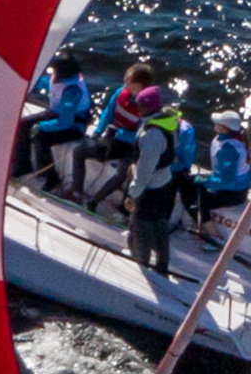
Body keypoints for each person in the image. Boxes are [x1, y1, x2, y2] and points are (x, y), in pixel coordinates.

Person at [77, 63, 157, 207]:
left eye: (129, 81)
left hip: (131, 147)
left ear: (139, 86)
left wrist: (117, 133)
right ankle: (76, 192)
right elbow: (109, 111)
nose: (125, 83)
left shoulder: (146, 106)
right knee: (79, 152)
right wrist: (98, 131)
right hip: (113, 139)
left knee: (122, 175)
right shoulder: (121, 92)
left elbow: (140, 134)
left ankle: (95, 201)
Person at [127, 86, 183, 273]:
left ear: (145, 108)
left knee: (141, 227)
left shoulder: (152, 135)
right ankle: (162, 266)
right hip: (165, 183)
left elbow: (144, 172)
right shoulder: (168, 122)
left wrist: (132, 193)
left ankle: (141, 267)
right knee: (160, 224)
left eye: (140, 106)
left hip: (149, 190)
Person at [19, 54, 93, 184]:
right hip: (56, 113)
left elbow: (65, 122)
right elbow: (48, 84)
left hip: (73, 125)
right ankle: (23, 167)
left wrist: (41, 126)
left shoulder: (72, 90)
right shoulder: (60, 78)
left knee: (40, 137)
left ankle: (50, 177)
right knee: (23, 124)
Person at [196, 112, 251, 219]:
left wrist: (206, 182)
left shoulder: (228, 149)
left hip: (232, 193)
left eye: (218, 123)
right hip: (235, 188)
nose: (215, 124)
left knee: (191, 197)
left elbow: (228, 182)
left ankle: (210, 230)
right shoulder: (236, 139)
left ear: (224, 128)